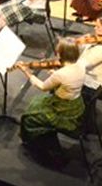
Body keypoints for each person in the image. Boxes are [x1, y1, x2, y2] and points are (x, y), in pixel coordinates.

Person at [18, 38, 85, 167]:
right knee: (37, 102)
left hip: (62, 110)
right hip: (76, 105)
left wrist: (27, 72)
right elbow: (70, 80)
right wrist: (55, 73)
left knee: (29, 116)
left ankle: (36, 144)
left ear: (61, 54)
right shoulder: (80, 65)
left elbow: (43, 87)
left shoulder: (61, 74)